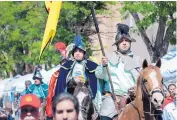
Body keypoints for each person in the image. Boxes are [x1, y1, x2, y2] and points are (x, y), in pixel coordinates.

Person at [95, 23, 142, 119]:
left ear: (130, 43)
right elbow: (99, 75)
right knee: (104, 115)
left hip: (132, 97)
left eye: (126, 41)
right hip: (113, 98)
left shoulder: (138, 59)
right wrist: (104, 66)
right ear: (117, 44)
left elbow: (143, 80)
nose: (124, 43)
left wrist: (136, 89)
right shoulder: (109, 57)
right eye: (121, 41)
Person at [55, 35, 98, 99]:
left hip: (86, 93)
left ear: (84, 54)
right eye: (75, 51)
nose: (77, 53)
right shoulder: (66, 66)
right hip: (70, 92)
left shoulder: (92, 65)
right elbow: (62, 84)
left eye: (80, 51)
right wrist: (73, 80)